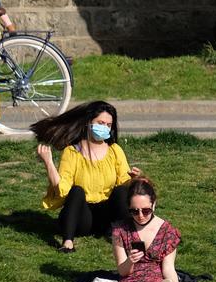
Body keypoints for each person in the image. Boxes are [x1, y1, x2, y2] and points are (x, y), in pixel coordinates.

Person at [33, 101, 142, 252]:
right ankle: (68, 242)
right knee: (76, 191)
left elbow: (124, 182)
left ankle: (131, 237)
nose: (104, 128)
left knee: (121, 191)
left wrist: (134, 179)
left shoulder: (115, 150)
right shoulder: (72, 152)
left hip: (107, 216)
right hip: (82, 218)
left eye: (108, 125)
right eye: (100, 123)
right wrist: (49, 163)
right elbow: (62, 190)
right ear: (88, 123)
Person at [99, 177, 195, 282]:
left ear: (154, 204)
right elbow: (123, 272)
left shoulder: (168, 231)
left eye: (146, 210)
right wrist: (130, 260)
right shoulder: (120, 230)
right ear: (128, 208)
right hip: (132, 279)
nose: (141, 216)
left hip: (157, 279)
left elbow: (168, 268)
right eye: (134, 211)